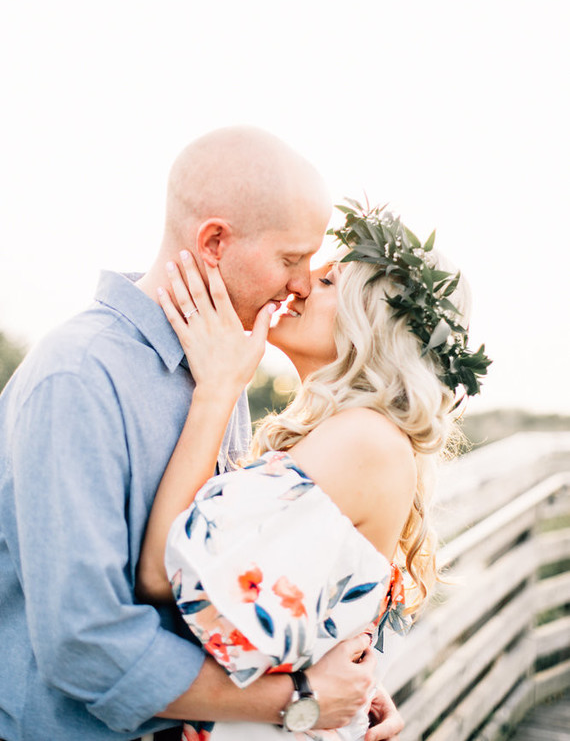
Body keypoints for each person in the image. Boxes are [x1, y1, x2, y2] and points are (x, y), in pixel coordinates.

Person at [0, 129, 402, 741]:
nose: (301, 284)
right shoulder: (79, 376)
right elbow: (85, 642)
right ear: (214, 242)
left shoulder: (220, 369)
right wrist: (298, 700)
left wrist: (342, 682)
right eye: (291, 260)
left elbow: (230, 587)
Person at [136, 202, 492, 740]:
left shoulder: (364, 440)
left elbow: (161, 573)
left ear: (371, 323)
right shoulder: (356, 436)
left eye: (327, 281)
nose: (299, 286)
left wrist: (216, 389)